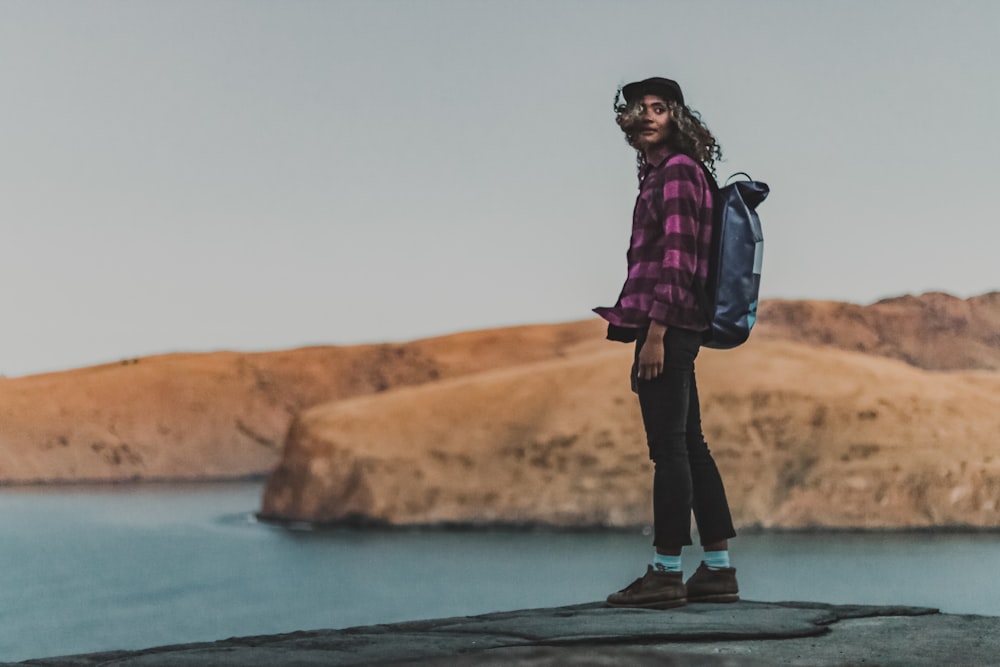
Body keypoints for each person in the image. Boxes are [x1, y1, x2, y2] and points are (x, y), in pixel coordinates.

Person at [594, 76, 739, 609]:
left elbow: (679, 258)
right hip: (677, 323)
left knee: (669, 451)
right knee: (691, 445)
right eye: (640, 108)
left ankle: (665, 572)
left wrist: (655, 333)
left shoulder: (676, 172)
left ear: (676, 117)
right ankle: (718, 570)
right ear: (629, 121)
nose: (649, 115)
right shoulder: (666, 172)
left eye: (661, 107)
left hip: (667, 325)